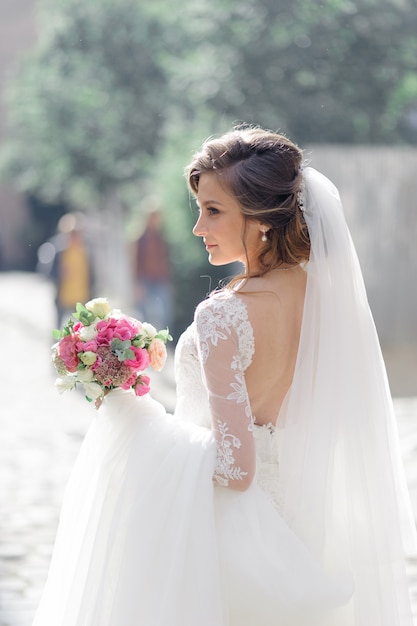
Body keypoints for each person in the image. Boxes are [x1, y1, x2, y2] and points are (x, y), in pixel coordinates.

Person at [32, 126, 416, 626]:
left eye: (213, 210)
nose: (197, 228)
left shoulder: (224, 315)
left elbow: (236, 469)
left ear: (259, 219)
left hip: (221, 537)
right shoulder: (325, 298)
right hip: (299, 528)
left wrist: (128, 411)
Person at [133, 209, 172, 330]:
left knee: (165, 311)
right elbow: (137, 262)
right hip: (146, 279)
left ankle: (166, 337)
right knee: (144, 312)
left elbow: (166, 259)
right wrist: (138, 284)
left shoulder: (161, 237)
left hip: (160, 278)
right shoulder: (141, 239)